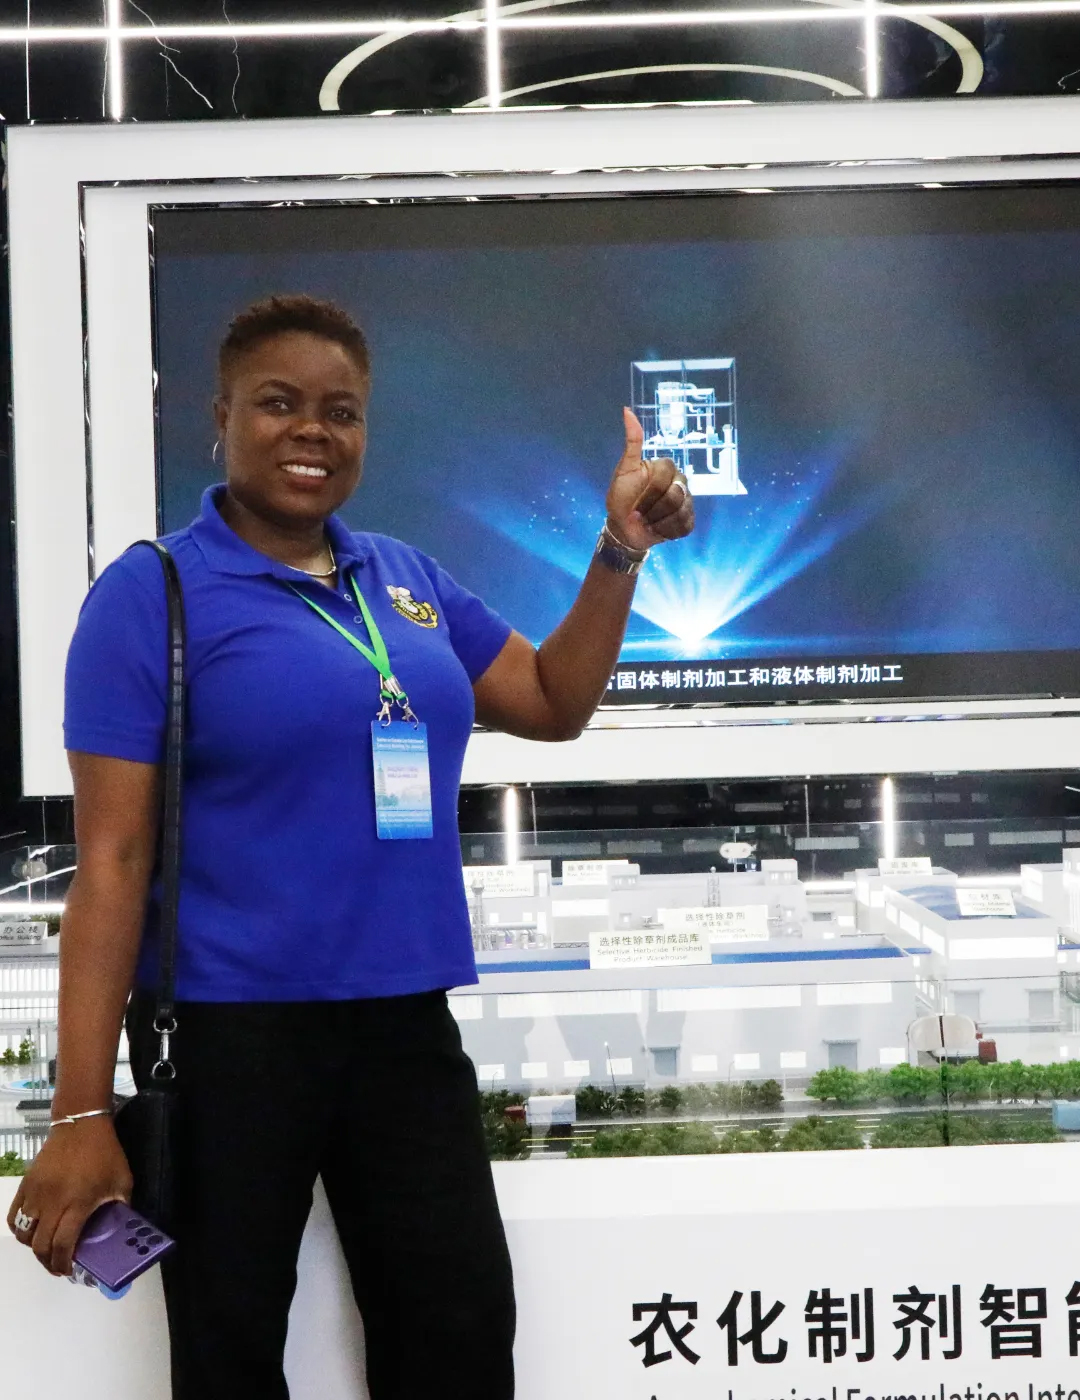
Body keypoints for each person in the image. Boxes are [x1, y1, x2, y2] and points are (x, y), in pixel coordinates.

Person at [7, 294, 693, 1399]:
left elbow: (551, 699)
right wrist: (81, 1111)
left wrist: (622, 549)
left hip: (405, 1024)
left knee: (458, 1339)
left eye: (342, 411)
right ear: (221, 418)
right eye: (278, 403)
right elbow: (114, 864)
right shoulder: (152, 594)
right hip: (231, 1038)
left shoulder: (406, 578)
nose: (313, 431)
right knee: (230, 1354)